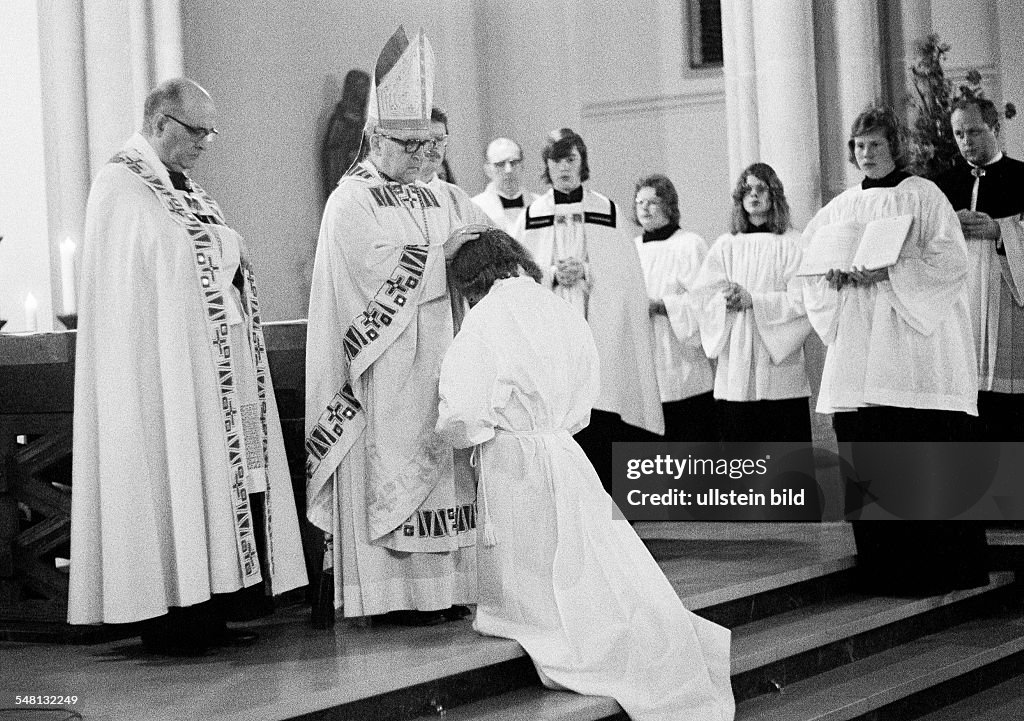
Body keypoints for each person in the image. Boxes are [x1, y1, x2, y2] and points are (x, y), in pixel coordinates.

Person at [437, 229, 735, 721]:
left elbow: (463, 410)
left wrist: (463, 431)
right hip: (561, 449)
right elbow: (586, 392)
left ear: (468, 282)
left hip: (512, 455)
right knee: (581, 558)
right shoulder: (557, 307)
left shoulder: (485, 318)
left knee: (533, 569)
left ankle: (542, 623)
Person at [68, 78, 308, 655]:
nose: (205, 142)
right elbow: (168, 262)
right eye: (196, 130)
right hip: (159, 377)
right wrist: (225, 245)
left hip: (207, 372)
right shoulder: (121, 183)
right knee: (170, 478)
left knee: (212, 482)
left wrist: (225, 248)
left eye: (208, 131)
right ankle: (173, 619)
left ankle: (212, 610)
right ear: (160, 123)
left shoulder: (183, 188)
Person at [305, 27, 485, 625]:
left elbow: (487, 243)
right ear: (376, 138)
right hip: (385, 367)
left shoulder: (445, 194)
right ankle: (392, 596)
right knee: (395, 465)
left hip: (445, 355)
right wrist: (448, 256)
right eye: (409, 145)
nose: (423, 157)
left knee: (448, 468)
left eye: (431, 144)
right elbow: (370, 272)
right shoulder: (350, 199)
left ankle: (448, 590)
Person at [802, 105, 986, 595]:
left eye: (875, 145)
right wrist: (835, 279)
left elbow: (950, 260)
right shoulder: (839, 209)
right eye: (859, 146)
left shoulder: (923, 196)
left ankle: (936, 571)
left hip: (912, 351)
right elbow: (811, 267)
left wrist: (890, 272)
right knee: (868, 456)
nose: (865, 154)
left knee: (917, 453)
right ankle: (884, 570)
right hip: (860, 354)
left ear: (894, 146)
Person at [516, 128, 663, 494]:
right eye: (556, 160)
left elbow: (626, 278)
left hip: (601, 333)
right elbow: (517, 275)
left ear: (583, 164)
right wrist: (551, 274)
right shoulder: (532, 215)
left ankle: (608, 504)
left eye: (570, 160)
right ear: (546, 167)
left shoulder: (606, 210)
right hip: (551, 340)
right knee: (559, 419)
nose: (563, 168)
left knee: (601, 415)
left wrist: (586, 271)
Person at [693, 163, 812, 442]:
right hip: (736, 364)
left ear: (774, 195)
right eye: (746, 189)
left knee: (785, 461)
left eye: (761, 188)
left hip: (779, 365)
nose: (753, 195)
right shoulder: (726, 245)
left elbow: (804, 299)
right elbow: (701, 297)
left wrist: (754, 300)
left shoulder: (794, 243)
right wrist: (726, 300)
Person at [935, 96, 1024, 440]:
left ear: (996, 128)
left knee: (1005, 410)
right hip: (958, 301)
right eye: (958, 134)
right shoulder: (941, 185)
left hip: (1006, 300)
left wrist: (1001, 230)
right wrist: (946, 225)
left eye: (974, 131)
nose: (966, 141)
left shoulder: (1020, 176)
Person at [632, 174, 717, 441]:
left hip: (684, 366)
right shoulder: (632, 248)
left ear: (669, 206)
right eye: (639, 202)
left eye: (652, 202)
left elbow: (708, 301)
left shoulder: (690, 245)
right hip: (646, 365)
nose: (644, 208)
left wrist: (663, 306)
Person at [471, 137, 538, 235]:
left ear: (522, 165)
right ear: (488, 170)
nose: (508, 170)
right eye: (500, 164)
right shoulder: (475, 208)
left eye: (513, 163)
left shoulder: (539, 204)